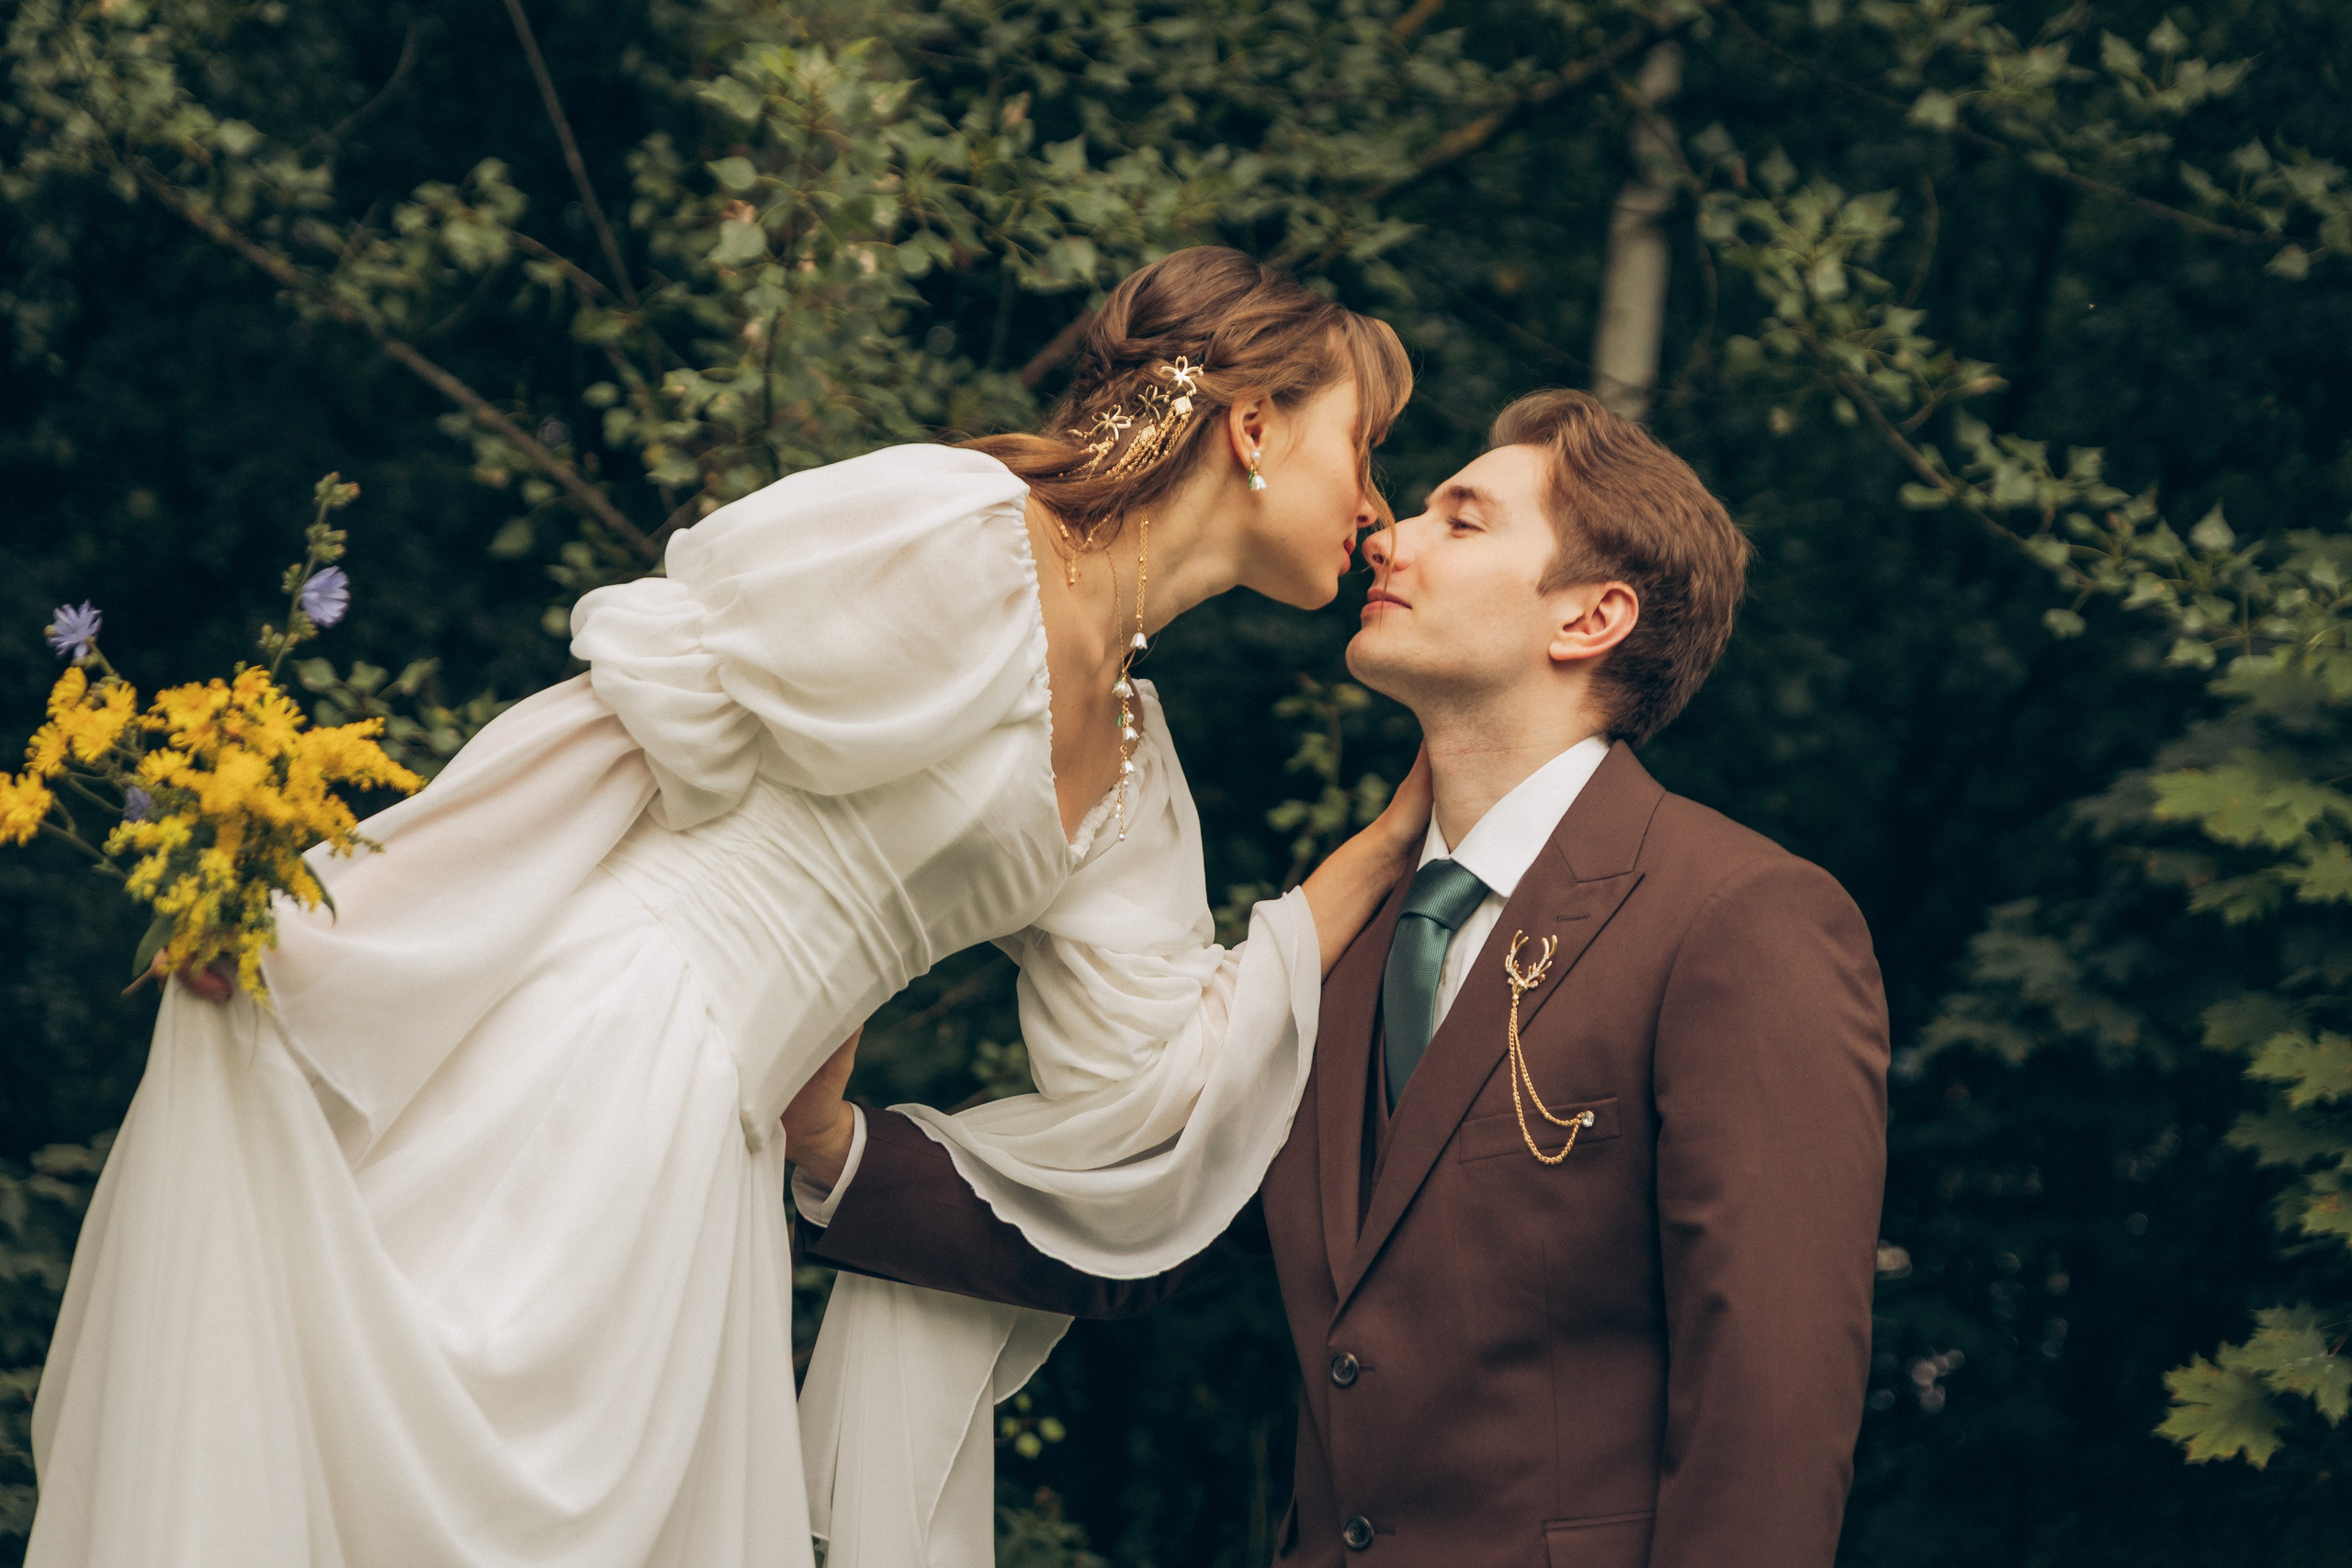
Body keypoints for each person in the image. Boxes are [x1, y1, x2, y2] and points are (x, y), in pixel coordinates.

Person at [27, 248, 1433, 1568]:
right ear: (1254, 427)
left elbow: (1161, 1074)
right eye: (1365, 446)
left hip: (714, 1165)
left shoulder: (1138, 775)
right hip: (585, 1047)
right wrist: (333, 923)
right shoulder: (956, 533)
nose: (1379, 503)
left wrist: (1391, 840)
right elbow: (614, 727)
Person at [787, 389, 1893, 1567]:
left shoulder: (1737, 921)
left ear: (1590, 618)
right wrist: (833, 1155)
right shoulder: (1351, 952)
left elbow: (1769, 1401)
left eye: (1461, 522)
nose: (1389, 534)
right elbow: (1164, 1216)